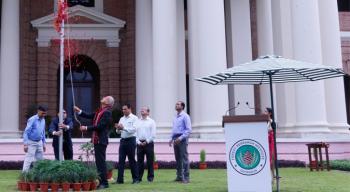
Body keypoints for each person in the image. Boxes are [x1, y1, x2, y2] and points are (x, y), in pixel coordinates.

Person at [74, 96, 114, 190]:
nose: (103, 98)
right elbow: (89, 115)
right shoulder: (100, 111)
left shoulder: (107, 112)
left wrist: (86, 128)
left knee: (101, 163)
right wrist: (79, 111)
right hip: (98, 140)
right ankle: (102, 182)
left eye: (105, 98)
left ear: (107, 103)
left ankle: (104, 183)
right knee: (99, 162)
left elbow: (100, 126)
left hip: (101, 140)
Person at [115, 104, 139, 184]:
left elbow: (134, 130)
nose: (123, 111)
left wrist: (123, 128)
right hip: (123, 140)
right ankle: (120, 180)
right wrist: (118, 128)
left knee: (131, 160)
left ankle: (135, 179)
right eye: (122, 109)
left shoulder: (135, 118)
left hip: (131, 140)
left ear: (130, 109)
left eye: (125, 109)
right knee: (121, 161)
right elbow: (118, 132)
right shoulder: (121, 118)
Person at [169, 101, 192, 184]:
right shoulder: (175, 117)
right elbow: (174, 129)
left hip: (182, 138)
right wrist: (171, 139)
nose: (176, 105)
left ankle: (186, 178)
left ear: (182, 107)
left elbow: (189, 130)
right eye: (176, 104)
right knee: (178, 159)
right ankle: (179, 177)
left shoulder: (185, 116)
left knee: (184, 158)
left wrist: (181, 138)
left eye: (178, 104)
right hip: (175, 138)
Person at [22, 105, 47, 172]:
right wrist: (25, 144)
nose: (44, 115)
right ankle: (24, 176)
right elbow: (26, 132)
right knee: (28, 159)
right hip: (31, 142)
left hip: (39, 142)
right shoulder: (32, 119)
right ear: (38, 111)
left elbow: (43, 132)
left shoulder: (43, 120)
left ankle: (37, 175)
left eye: (45, 113)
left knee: (40, 160)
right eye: (42, 113)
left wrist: (44, 143)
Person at [135, 107, 156, 182]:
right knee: (139, 162)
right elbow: (135, 133)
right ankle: (138, 178)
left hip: (149, 143)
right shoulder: (137, 121)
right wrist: (138, 142)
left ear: (148, 112)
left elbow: (153, 134)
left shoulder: (151, 121)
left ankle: (150, 178)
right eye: (141, 109)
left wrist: (146, 141)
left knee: (150, 161)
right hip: (139, 143)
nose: (142, 110)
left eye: (144, 109)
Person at [265, 107, 276, 183]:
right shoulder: (263, 122)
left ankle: (273, 176)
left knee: (271, 160)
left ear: (270, 113)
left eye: (266, 111)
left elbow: (273, 129)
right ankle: (267, 177)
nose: (264, 113)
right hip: (265, 142)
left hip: (271, 142)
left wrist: (269, 120)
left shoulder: (272, 122)